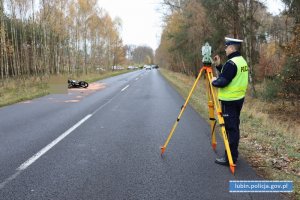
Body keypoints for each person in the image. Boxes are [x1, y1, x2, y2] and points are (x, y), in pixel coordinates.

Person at [211, 37, 249, 166]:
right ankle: (233, 154)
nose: (225, 49)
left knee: (230, 129)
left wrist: (213, 81)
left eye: (226, 47)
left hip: (229, 101)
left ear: (231, 48)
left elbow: (223, 81)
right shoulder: (241, 61)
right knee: (234, 127)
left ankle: (230, 158)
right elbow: (230, 75)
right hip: (238, 99)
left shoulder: (231, 63)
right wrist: (219, 66)